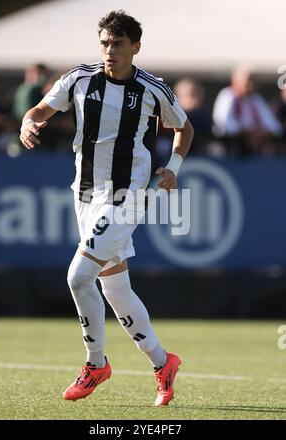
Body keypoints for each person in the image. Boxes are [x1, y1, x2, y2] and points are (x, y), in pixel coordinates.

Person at [19, 10, 193, 406]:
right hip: (84, 195)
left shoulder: (152, 89)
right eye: (104, 43)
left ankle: (96, 364)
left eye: (117, 44)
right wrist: (28, 123)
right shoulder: (79, 79)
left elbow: (185, 127)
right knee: (115, 289)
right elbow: (39, 111)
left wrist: (173, 167)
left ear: (136, 47)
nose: (109, 51)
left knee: (79, 277)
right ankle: (163, 362)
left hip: (127, 196)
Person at [212, 66, 282, 156]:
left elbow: (275, 127)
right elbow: (223, 123)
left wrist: (261, 133)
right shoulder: (227, 95)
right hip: (231, 146)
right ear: (235, 80)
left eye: (252, 80)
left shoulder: (256, 100)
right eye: (247, 79)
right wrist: (247, 132)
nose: (250, 83)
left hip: (255, 146)